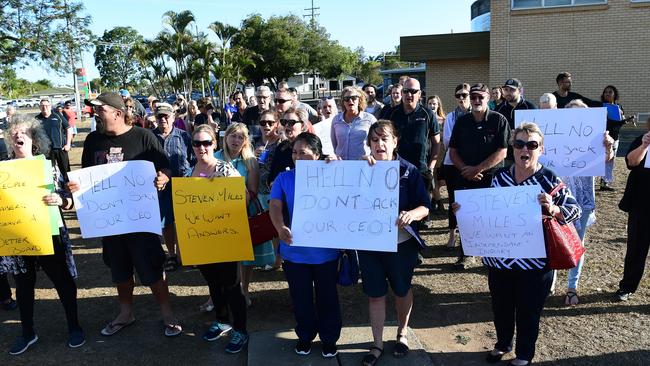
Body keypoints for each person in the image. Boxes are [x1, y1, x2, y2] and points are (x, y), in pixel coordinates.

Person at [460, 122, 581, 366]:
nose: (525, 149)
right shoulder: (499, 178)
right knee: (501, 307)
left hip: (536, 262)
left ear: (541, 150)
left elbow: (575, 210)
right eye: (519, 144)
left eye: (532, 145)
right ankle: (503, 343)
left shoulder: (550, 179)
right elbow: (488, 214)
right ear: (512, 148)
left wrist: (553, 207)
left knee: (528, 312)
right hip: (501, 259)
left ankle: (524, 354)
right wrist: (463, 211)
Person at [75, 92, 182, 338]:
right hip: (109, 222)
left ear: (117, 112)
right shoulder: (93, 140)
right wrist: (75, 188)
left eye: (100, 109)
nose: (96, 113)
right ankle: (125, 313)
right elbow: (85, 175)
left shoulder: (144, 137)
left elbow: (164, 166)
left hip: (140, 220)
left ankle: (167, 314)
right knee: (120, 271)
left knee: (153, 269)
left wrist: (163, 177)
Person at [1, 114, 85, 354]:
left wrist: (61, 199)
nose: (18, 136)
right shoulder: (3, 170)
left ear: (34, 140)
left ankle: (74, 326)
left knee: (62, 281)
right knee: (23, 284)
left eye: (23, 133)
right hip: (18, 234)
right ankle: (28, 332)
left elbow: (68, 198)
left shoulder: (48, 166)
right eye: (14, 133)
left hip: (48, 231)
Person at [358, 121, 431, 366]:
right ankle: (377, 342)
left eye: (384, 139)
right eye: (375, 140)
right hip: (369, 244)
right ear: (369, 143)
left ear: (395, 142)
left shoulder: (409, 171)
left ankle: (402, 332)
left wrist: (412, 214)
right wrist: (335, 165)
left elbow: (425, 206)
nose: (380, 144)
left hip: (402, 243)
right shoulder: (359, 170)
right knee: (375, 294)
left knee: (401, 289)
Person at [269, 132, 341, 358]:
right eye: (294, 152)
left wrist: (340, 167)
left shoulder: (332, 174)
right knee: (300, 299)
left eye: (303, 152)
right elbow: (274, 205)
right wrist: (280, 228)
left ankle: (329, 338)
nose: (297, 157)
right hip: (294, 253)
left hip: (326, 253)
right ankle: (305, 336)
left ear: (318, 155)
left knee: (327, 297)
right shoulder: (284, 178)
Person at [186, 124, 249, 353]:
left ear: (214, 143)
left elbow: (241, 199)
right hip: (202, 239)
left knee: (232, 285)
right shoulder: (189, 173)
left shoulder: (225, 170)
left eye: (206, 142)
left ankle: (241, 330)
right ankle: (222, 320)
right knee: (213, 282)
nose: (201, 147)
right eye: (197, 143)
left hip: (226, 237)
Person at [449, 83, 510, 269]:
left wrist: (478, 169)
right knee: (466, 216)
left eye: (480, 97)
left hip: (491, 177)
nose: (476, 100)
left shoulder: (499, 120)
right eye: (473, 97)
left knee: (492, 218)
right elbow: (452, 151)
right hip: (466, 176)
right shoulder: (462, 121)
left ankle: (492, 255)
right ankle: (467, 254)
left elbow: (503, 151)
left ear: (488, 99)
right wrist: (465, 169)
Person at [561, 99, 614, 306]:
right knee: (552, 240)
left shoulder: (596, 137)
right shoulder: (554, 135)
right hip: (557, 198)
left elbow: (607, 161)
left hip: (582, 200)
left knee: (576, 243)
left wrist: (608, 148)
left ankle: (572, 287)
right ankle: (548, 284)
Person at [216, 123, 274, 307]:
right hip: (216, 215)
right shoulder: (214, 157)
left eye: (241, 137)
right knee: (221, 258)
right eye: (233, 135)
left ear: (245, 141)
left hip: (243, 213)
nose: (236, 140)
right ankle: (215, 294)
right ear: (226, 137)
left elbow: (253, 190)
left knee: (245, 258)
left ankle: (244, 290)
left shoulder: (250, 161)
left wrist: (240, 195)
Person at [388, 78, 440, 229]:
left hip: (420, 169)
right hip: (396, 169)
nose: (409, 94)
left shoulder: (428, 114)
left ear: (420, 94)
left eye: (413, 91)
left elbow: (436, 143)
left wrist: (432, 165)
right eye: (406, 91)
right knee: (400, 208)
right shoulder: (392, 113)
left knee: (419, 211)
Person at [153, 102, 194, 272]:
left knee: (185, 221)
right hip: (160, 188)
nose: (163, 119)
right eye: (159, 116)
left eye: (166, 116)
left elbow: (193, 159)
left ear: (173, 117)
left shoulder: (184, 136)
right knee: (166, 222)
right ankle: (171, 254)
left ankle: (186, 254)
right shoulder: (149, 137)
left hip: (182, 184)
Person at [615, 114, 650, 301]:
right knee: (636, 249)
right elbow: (631, 162)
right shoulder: (642, 139)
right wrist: (644, 146)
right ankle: (627, 286)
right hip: (641, 205)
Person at [442, 83, 471, 249]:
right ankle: (452, 233)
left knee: (468, 201)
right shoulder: (451, 117)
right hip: (452, 163)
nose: (461, 98)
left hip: (472, 165)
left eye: (464, 95)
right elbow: (447, 140)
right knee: (453, 200)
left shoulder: (475, 116)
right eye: (458, 95)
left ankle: (467, 236)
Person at [600, 85, 632, 191]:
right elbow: (609, 122)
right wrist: (623, 121)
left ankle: (605, 182)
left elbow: (619, 122)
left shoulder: (619, 107)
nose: (607, 94)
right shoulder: (601, 106)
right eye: (606, 92)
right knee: (602, 160)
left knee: (611, 160)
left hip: (615, 137)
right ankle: (603, 181)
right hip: (605, 137)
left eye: (610, 92)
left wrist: (627, 120)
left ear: (614, 94)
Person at [330, 86, 376, 160]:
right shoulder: (336, 120)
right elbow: (335, 145)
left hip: (362, 165)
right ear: (343, 102)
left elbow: (375, 143)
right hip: (341, 165)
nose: (350, 101)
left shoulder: (370, 119)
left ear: (359, 100)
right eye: (346, 99)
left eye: (354, 98)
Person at [268, 108, 310, 185]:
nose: (287, 125)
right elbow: (272, 176)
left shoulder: (310, 145)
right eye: (284, 122)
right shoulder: (281, 147)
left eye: (291, 122)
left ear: (302, 125)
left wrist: (330, 161)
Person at [35, 98, 72, 175]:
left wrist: (68, 144)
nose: (44, 107)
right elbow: (32, 134)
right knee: (48, 173)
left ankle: (67, 185)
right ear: (39, 107)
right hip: (45, 151)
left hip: (60, 148)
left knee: (66, 173)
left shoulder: (57, 116)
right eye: (42, 106)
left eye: (46, 106)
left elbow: (69, 129)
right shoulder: (37, 119)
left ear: (50, 106)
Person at [427, 95, 447, 213]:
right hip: (429, 151)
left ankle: (434, 199)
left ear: (438, 105)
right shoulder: (426, 118)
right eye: (430, 103)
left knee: (440, 179)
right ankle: (439, 202)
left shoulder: (443, 120)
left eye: (434, 103)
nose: (432, 106)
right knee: (432, 176)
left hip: (441, 151)